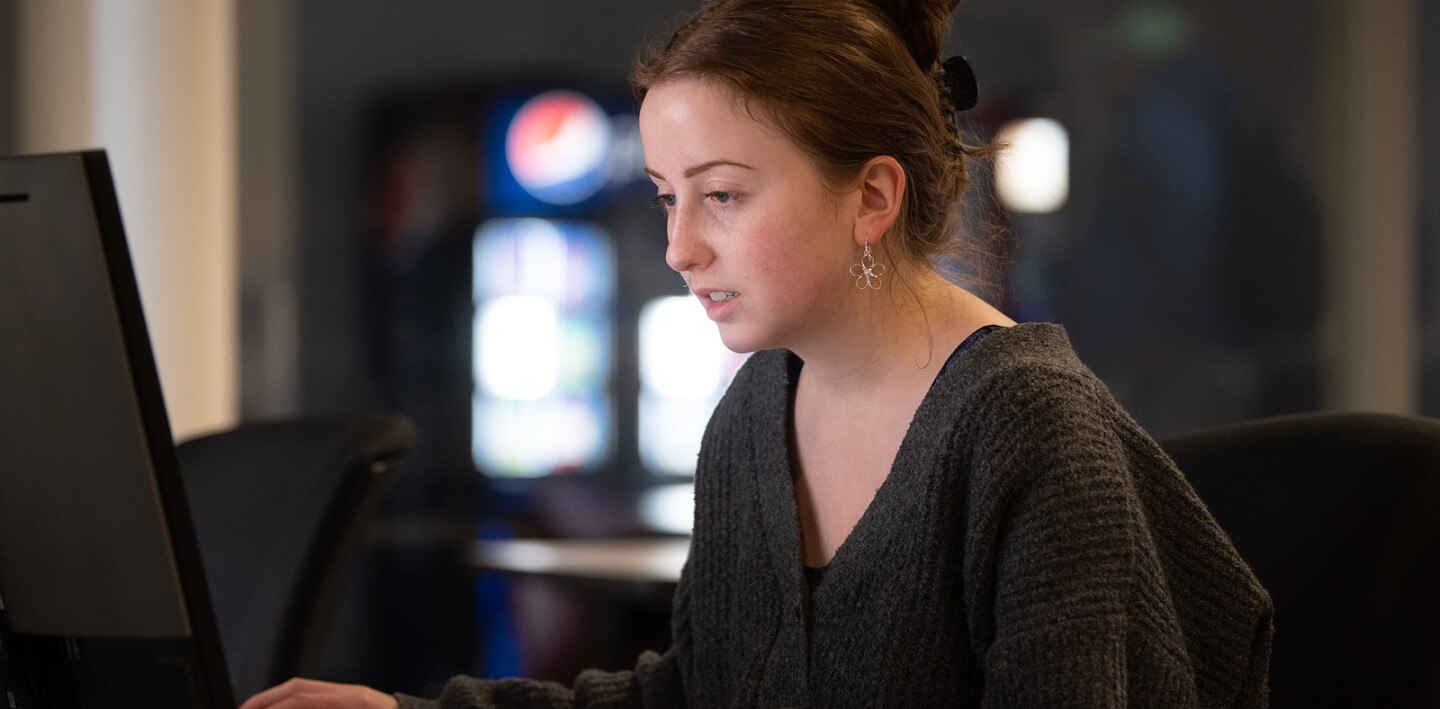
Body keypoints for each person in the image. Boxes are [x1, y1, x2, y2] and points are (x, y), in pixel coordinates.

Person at [241, 0, 1273, 706]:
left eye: (723, 195)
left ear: (872, 195)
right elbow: (698, 691)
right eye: (666, 197)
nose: (680, 246)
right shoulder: (757, 409)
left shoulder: (1026, 428)